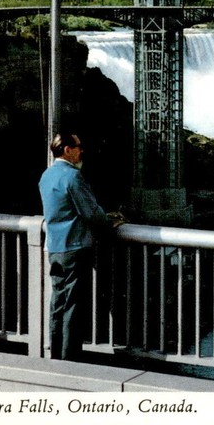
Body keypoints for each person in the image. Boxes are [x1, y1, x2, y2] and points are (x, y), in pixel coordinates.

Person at [38, 132, 124, 360]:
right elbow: (91, 212)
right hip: (75, 248)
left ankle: (55, 354)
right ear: (67, 150)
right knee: (73, 306)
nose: (81, 151)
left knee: (58, 302)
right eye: (78, 146)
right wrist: (111, 222)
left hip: (54, 247)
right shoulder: (73, 177)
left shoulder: (46, 176)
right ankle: (69, 359)